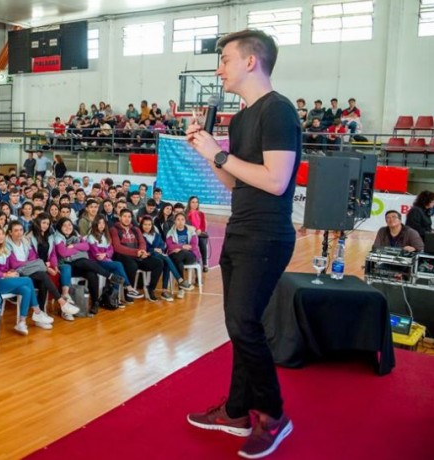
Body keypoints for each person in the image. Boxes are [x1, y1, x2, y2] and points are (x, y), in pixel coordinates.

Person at [185, 29, 299, 458]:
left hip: (267, 234)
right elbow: (234, 179)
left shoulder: (279, 111)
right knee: (239, 326)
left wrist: (218, 153)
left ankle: (273, 415)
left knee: (243, 324)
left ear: (251, 61)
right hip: (240, 228)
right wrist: (208, 152)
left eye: (226, 60)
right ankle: (236, 412)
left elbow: (275, 180)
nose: (219, 69)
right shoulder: (244, 117)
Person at [54, 218, 125, 316]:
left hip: (79, 264)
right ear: (60, 227)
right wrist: (77, 248)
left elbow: (86, 246)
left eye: (69, 225)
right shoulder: (58, 237)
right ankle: (109, 276)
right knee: (83, 261)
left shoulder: (76, 234)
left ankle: (95, 303)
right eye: (64, 225)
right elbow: (64, 253)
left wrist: (73, 246)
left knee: (92, 273)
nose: (68, 227)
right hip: (67, 266)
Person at [109, 209, 163, 301]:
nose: (127, 219)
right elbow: (117, 247)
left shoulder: (136, 229)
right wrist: (136, 252)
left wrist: (141, 251)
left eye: (129, 217)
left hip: (137, 256)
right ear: (120, 217)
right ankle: (128, 292)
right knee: (132, 265)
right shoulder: (114, 229)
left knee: (159, 263)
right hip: (122, 256)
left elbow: (142, 242)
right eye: (124, 216)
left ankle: (150, 289)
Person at [86, 217, 144, 301]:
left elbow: (111, 250)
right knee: (118, 265)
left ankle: (114, 298)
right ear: (95, 224)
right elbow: (97, 255)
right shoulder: (91, 237)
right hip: (95, 263)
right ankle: (129, 288)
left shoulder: (106, 235)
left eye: (103, 223)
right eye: (99, 223)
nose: (101, 225)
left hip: (106, 260)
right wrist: (106, 254)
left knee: (116, 271)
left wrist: (105, 254)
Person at [139, 217, 191, 301]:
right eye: (145, 224)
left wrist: (160, 249)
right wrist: (153, 250)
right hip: (146, 258)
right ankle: (179, 280)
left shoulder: (156, 234)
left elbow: (162, 245)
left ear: (152, 225)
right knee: (165, 258)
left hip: (158, 256)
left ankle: (164, 291)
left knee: (165, 261)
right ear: (141, 225)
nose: (147, 226)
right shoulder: (140, 236)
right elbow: (142, 248)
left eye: (149, 224)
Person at [164, 213, 202, 299]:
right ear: (174, 221)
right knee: (178, 262)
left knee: (178, 255)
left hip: (190, 255)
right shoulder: (171, 232)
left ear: (185, 221)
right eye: (178, 219)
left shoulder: (191, 231)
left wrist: (180, 248)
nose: (180, 222)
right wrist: (182, 246)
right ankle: (181, 288)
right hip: (178, 256)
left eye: (182, 219)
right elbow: (170, 245)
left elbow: (194, 245)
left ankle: (181, 284)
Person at [186, 196, 211, 271]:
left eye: (196, 202)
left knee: (202, 241)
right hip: (190, 234)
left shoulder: (201, 214)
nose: (195, 204)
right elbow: (185, 225)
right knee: (195, 240)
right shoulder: (185, 214)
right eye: (193, 202)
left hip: (200, 233)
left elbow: (203, 226)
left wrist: (199, 230)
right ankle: (190, 261)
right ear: (189, 203)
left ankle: (205, 264)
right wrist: (194, 231)